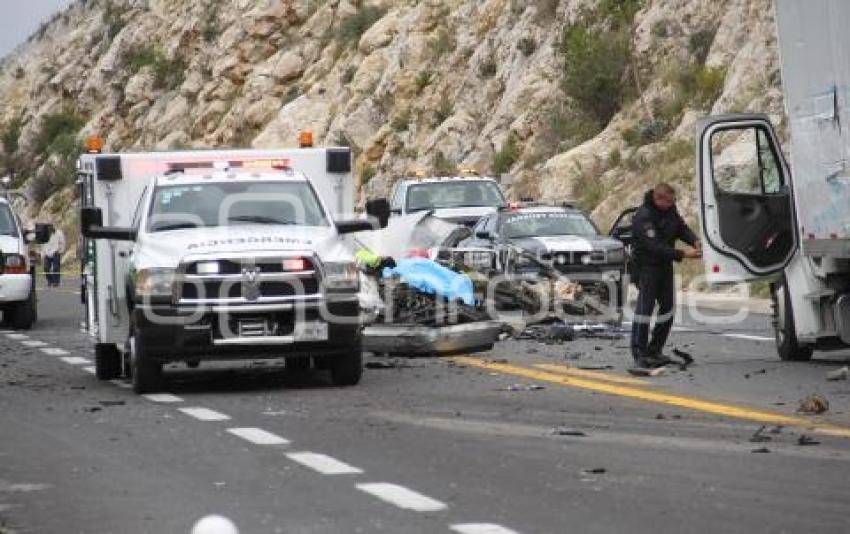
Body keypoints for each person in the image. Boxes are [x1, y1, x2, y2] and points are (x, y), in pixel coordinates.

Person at [630, 183, 701, 368]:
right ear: (657, 198)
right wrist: (683, 254)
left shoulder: (670, 210)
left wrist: (695, 240)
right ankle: (640, 352)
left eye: (673, 201)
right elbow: (654, 247)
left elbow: (680, 228)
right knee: (645, 308)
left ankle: (655, 350)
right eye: (668, 202)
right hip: (646, 266)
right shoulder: (643, 217)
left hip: (664, 266)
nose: (672, 204)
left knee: (668, 307)